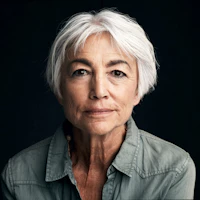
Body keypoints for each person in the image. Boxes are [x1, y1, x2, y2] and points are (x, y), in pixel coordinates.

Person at [1, 8, 196, 200]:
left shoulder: (173, 171)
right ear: (59, 89)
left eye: (117, 73)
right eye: (81, 72)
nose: (99, 91)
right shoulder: (18, 176)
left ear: (138, 90)